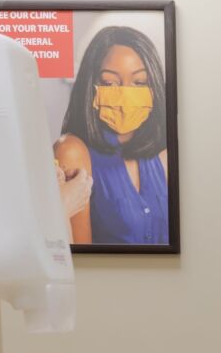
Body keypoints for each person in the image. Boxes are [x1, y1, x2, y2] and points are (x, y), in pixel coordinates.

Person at [54, 25, 173, 246]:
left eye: (139, 83)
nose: (126, 95)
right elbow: (81, 260)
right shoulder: (73, 153)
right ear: (92, 86)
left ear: (154, 87)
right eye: (109, 83)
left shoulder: (166, 155)